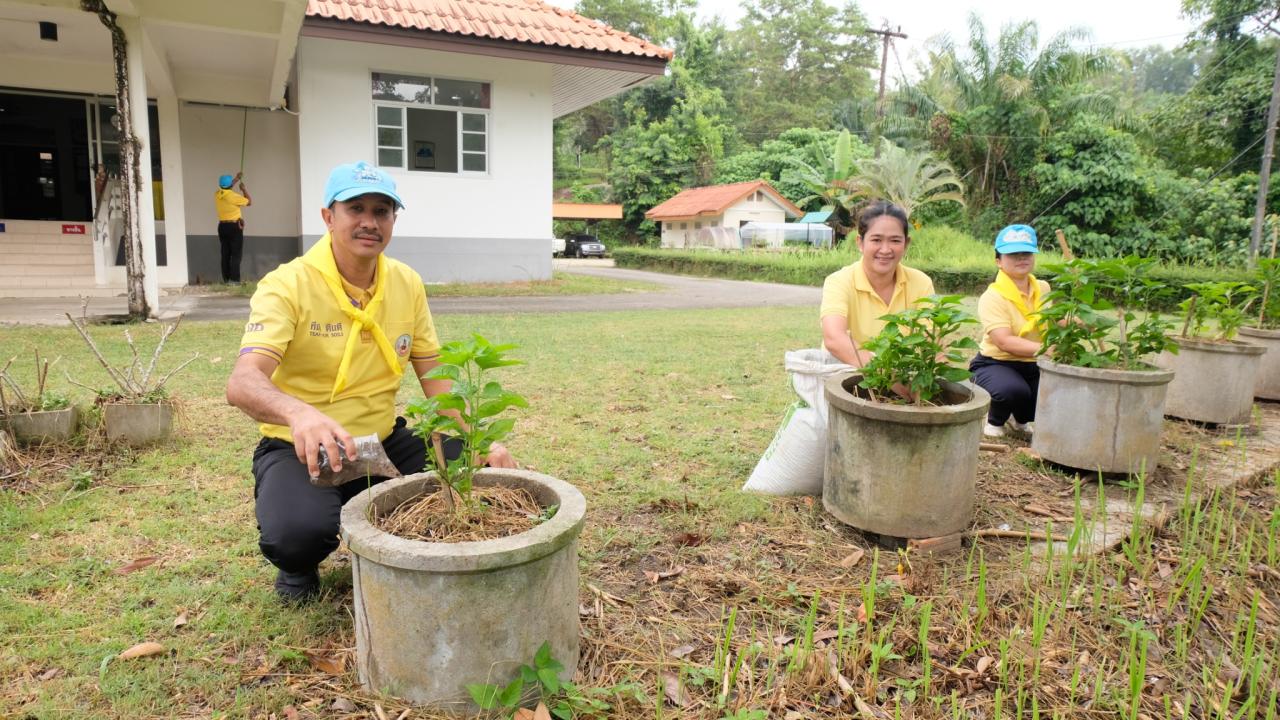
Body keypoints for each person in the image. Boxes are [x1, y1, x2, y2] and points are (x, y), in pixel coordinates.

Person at [225, 161, 515, 602]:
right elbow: (243, 382)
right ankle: (299, 565)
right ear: (328, 216)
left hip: (382, 440)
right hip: (301, 448)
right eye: (355, 208)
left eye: (382, 211)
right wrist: (299, 414)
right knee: (297, 534)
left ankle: (402, 524)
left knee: (481, 474)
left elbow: (435, 377)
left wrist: (481, 442)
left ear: (393, 219)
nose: (369, 222)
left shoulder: (406, 283)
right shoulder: (287, 285)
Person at [820, 200, 935, 367]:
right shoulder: (839, 281)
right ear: (860, 243)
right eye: (876, 240)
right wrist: (887, 375)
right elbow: (834, 338)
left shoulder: (921, 283)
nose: (885, 249)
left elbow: (931, 344)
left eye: (895, 240)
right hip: (846, 374)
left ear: (906, 244)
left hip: (904, 376)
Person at [969, 224, 1050, 438]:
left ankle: (1020, 419)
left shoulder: (1043, 288)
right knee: (1012, 389)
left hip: (1033, 363)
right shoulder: (993, 297)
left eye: (1026, 253)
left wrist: (1076, 320)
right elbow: (1003, 341)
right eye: (1013, 254)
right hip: (995, 363)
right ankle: (994, 420)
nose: (1021, 258)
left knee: (1054, 389)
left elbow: (1052, 318)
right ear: (998, 261)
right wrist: (1046, 348)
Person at [215, 172, 252, 283]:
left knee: (225, 253)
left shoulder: (217, 194)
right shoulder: (233, 196)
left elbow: (227, 188)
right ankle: (234, 280)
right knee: (236, 254)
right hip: (234, 227)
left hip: (222, 226)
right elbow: (249, 202)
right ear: (230, 185)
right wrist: (244, 189)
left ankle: (226, 280)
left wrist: (236, 178)